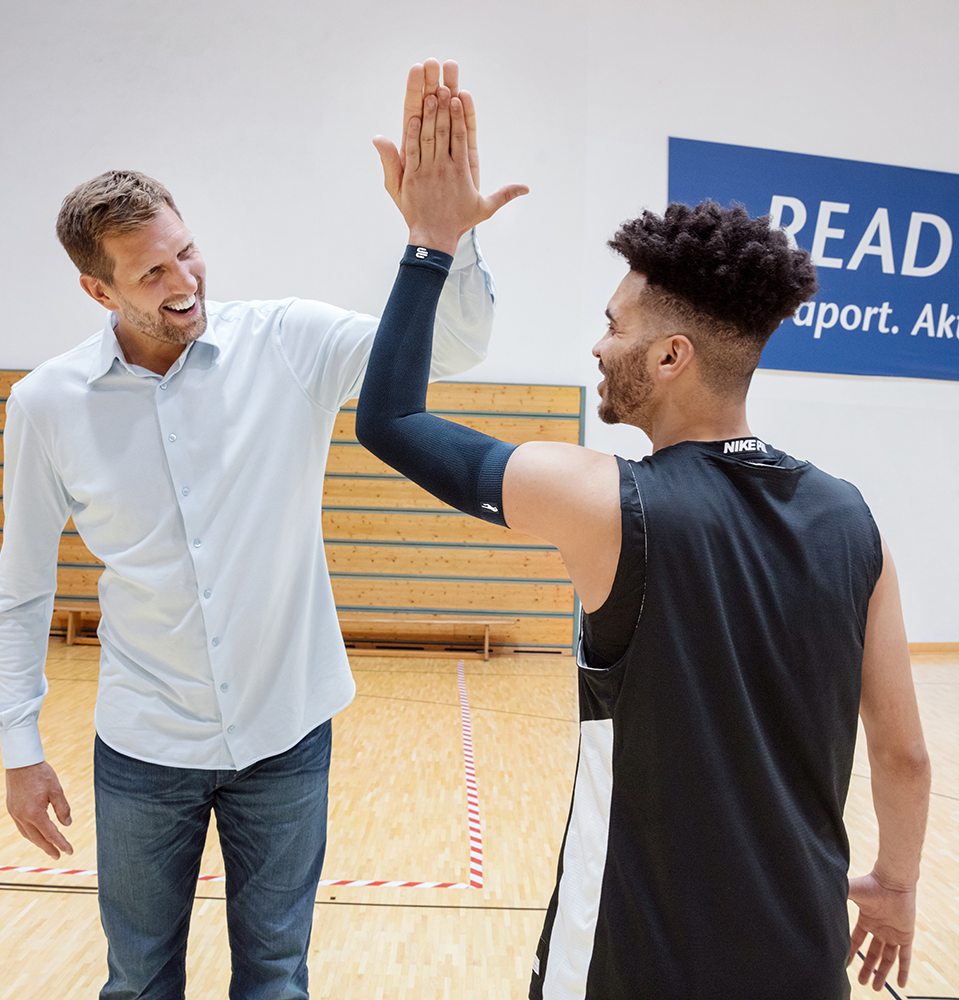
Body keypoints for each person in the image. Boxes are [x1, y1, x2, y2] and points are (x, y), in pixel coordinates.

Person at [357, 90, 932, 997]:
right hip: (799, 962)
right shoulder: (856, 523)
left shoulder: (605, 501)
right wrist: (895, 888)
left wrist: (431, 240)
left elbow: (389, 419)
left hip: (628, 958)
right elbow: (903, 756)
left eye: (615, 325)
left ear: (670, 357)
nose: (597, 345)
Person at [0, 59, 502, 1000]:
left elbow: (454, 348)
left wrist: (441, 241)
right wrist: (19, 746)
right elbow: (20, 588)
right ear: (100, 294)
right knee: (139, 982)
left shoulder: (288, 342)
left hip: (286, 736)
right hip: (143, 749)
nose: (185, 280)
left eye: (187, 250)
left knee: (276, 979)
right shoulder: (45, 404)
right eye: (153, 271)